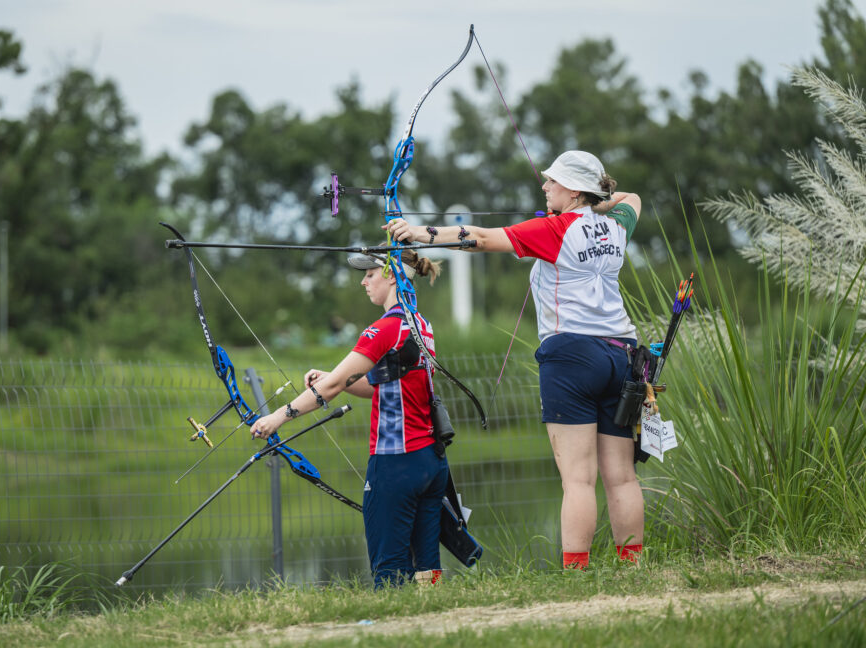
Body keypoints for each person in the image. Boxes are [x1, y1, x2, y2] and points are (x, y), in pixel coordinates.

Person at [385, 150, 644, 569]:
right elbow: (631, 198)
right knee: (622, 475)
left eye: (553, 182)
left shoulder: (557, 229)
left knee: (578, 479)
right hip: (622, 355)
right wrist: (598, 201)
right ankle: (634, 568)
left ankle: (577, 575)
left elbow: (482, 239)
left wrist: (417, 233)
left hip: (572, 356)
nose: (545, 186)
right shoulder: (615, 226)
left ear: (575, 189)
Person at [250, 250, 449, 587]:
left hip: (394, 463)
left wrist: (277, 418)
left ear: (389, 275)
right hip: (431, 461)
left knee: (389, 571)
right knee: (427, 566)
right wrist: (334, 378)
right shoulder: (421, 325)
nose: (363, 281)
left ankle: (392, 629)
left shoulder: (383, 329)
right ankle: (432, 619)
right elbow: (379, 389)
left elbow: (332, 387)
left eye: (369, 274)